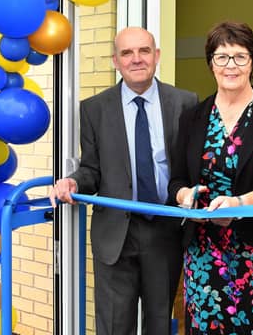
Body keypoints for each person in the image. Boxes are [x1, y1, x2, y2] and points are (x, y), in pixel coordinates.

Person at [50, 27, 198, 335]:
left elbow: (191, 166)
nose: (136, 59)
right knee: (116, 326)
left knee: (160, 323)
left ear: (156, 56)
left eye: (144, 51)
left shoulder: (185, 102)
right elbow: (92, 168)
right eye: (127, 53)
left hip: (165, 229)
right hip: (115, 234)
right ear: (115, 61)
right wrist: (74, 182)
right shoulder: (93, 109)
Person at [168, 21, 253, 335]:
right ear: (210, 63)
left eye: (240, 57)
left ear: (252, 62)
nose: (231, 65)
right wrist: (185, 196)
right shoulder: (192, 117)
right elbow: (175, 179)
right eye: (222, 57)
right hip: (204, 255)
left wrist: (240, 204)